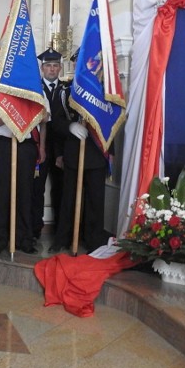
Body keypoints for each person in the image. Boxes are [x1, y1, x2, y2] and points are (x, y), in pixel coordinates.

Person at [50, 50, 112, 254]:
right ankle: (63, 239)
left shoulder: (104, 91)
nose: (82, 67)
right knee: (68, 199)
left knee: (95, 200)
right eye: (78, 63)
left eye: (86, 63)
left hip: (96, 153)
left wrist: (110, 151)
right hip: (74, 153)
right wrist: (70, 127)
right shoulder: (65, 91)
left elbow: (112, 123)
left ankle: (93, 239)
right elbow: (56, 122)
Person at [0, 53, 44, 256]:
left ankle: (24, 238)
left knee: (25, 193)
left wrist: (41, 147)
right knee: (1, 193)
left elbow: (44, 118)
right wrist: (7, 116)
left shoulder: (35, 89)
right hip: (2, 145)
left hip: (26, 146)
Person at [35, 48, 65, 240]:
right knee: (37, 189)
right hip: (40, 147)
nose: (52, 69)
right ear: (42, 68)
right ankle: (35, 228)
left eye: (55, 66)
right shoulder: (35, 88)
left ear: (60, 68)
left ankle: (60, 230)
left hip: (61, 149)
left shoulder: (66, 90)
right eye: (48, 66)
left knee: (61, 189)